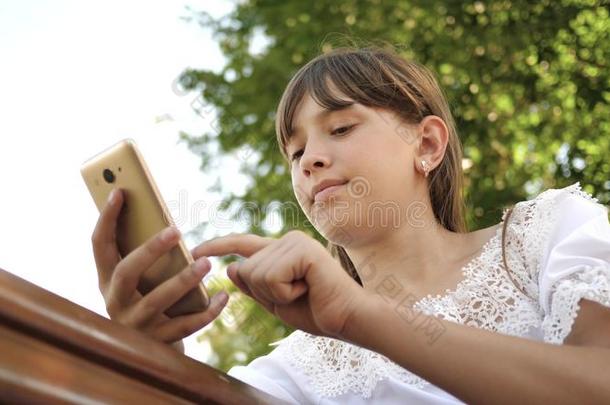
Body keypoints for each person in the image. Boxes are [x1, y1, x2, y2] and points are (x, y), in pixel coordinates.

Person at [91, 46, 610, 404]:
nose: (310, 160)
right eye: (295, 152)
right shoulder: (295, 369)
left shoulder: (546, 234)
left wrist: (359, 316)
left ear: (427, 144)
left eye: (340, 127)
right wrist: (146, 360)